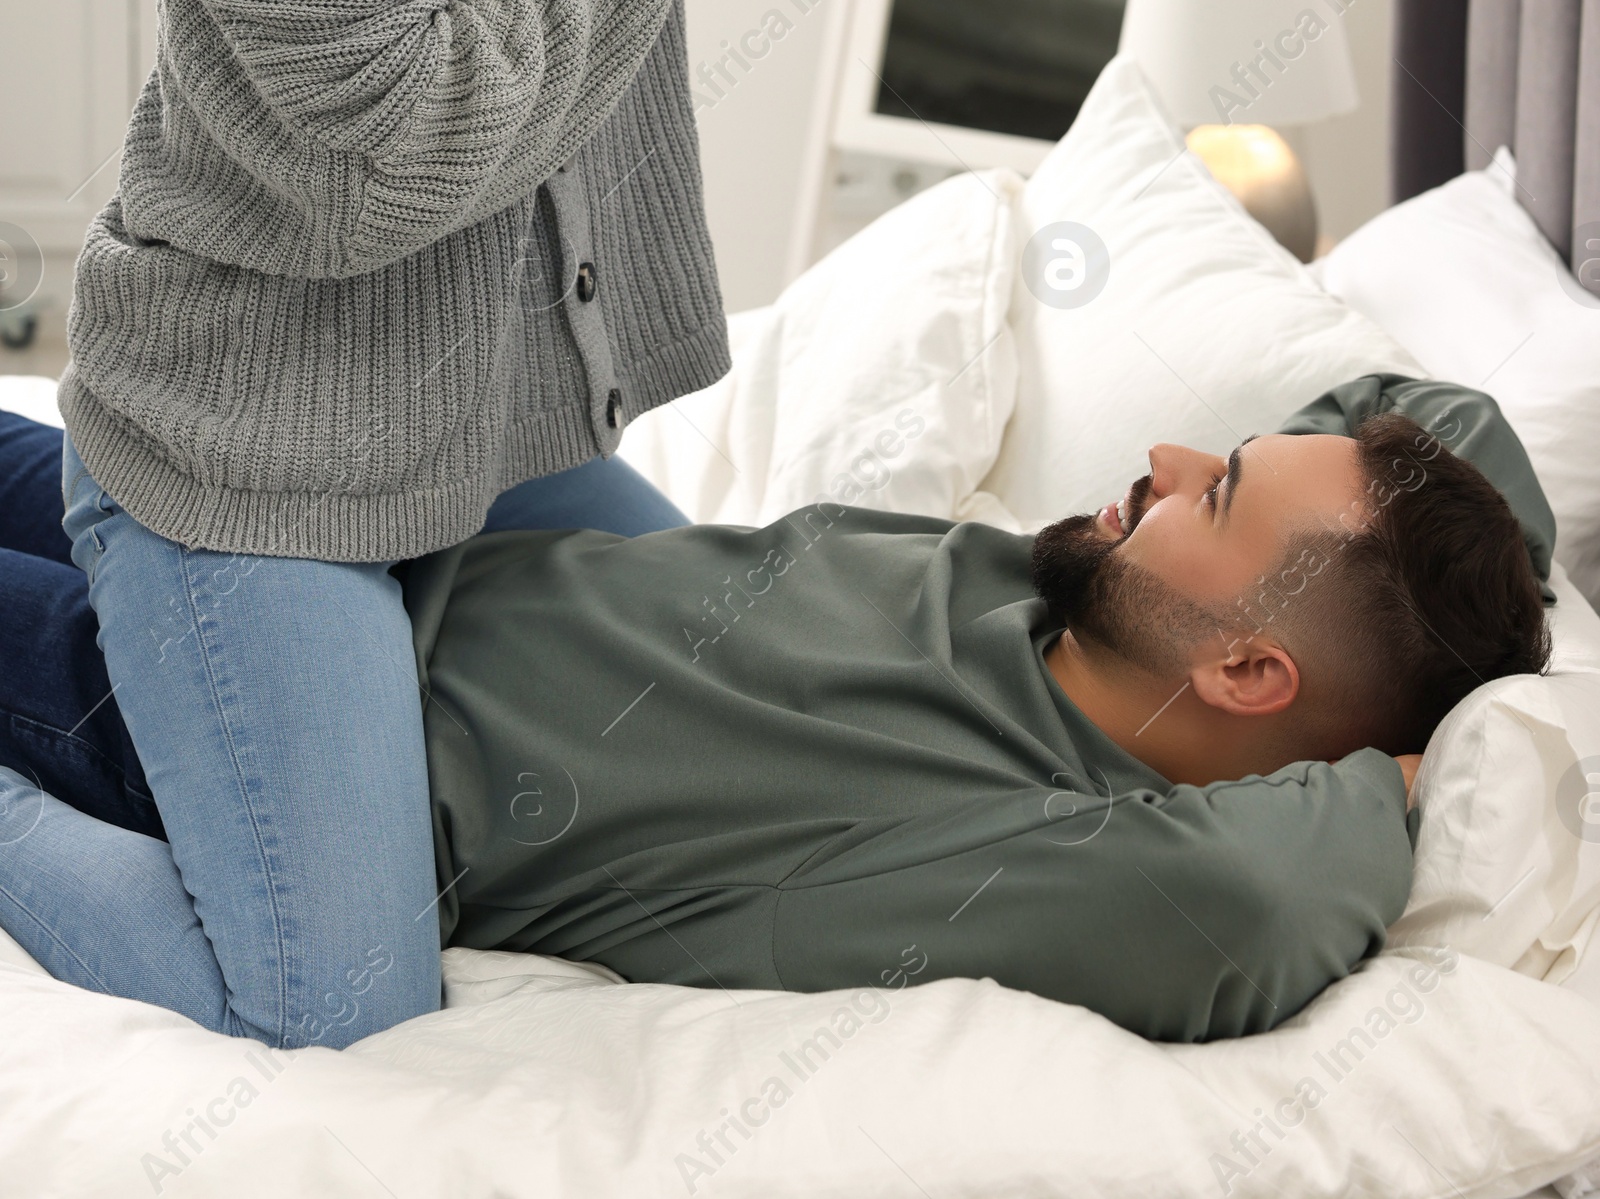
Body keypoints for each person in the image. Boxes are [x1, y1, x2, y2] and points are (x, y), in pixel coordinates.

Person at [0, 0, 1040, 1050]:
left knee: (740, 688)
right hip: (250, 463)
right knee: (336, 1003)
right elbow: (388, 169)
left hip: (471, 447)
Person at [0, 371, 1551, 1044]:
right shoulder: (1075, 595)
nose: (1158, 455)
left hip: (282, 725)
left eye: (1208, 494)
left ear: (1250, 672)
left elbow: (1251, 894)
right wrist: (1474, 622)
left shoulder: (1075, 849)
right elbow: (1444, 423)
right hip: (460, 555)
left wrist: (1431, 779)